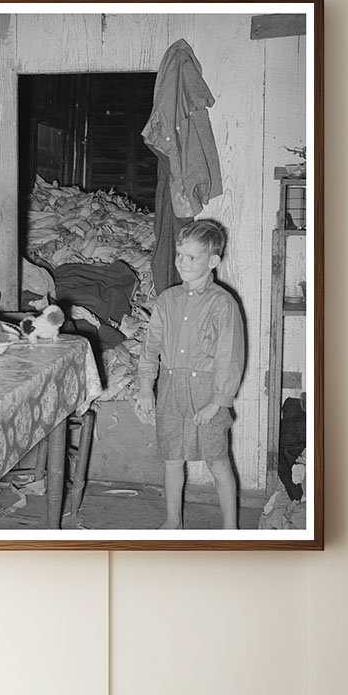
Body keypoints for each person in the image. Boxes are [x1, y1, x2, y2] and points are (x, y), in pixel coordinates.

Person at [135, 219, 245, 528]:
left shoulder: (223, 304)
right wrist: (145, 386)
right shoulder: (166, 300)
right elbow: (150, 347)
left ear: (212, 261)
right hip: (170, 389)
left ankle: (230, 528)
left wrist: (217, 401)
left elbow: (230, 356)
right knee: (172, 460)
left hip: (207, 392)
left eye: (191, 257)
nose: (182, 262)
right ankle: (173, 521)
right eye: (179, 255)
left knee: (217, 460)